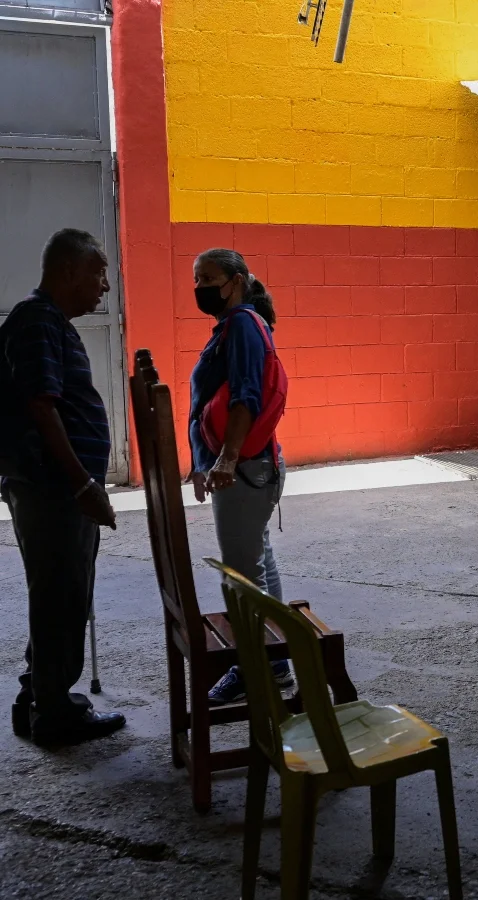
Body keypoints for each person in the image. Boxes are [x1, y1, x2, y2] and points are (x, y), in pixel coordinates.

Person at [0, 229, 126, 745]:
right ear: (68, 270)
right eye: (98, 272)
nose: (104, 287)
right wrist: (82, 486)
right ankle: (53, 715)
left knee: (55, 595)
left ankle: (38, 696)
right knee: (62, 597)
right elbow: (42, 407)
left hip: (54, 488)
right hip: (53, 490)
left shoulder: (49, 322)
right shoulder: (36, 322)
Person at [188, 248, 290, 704]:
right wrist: (201, 460)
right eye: (196, 279)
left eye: (209, 278)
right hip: (248, 468)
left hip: (246, 470)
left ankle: (254, 669)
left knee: (240, 576)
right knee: (257, 563)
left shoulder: (244, 325)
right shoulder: (234, 325)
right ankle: (277, 663)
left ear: (237, 280)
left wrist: (225, 461)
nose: (200, 288)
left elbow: (244, 397)